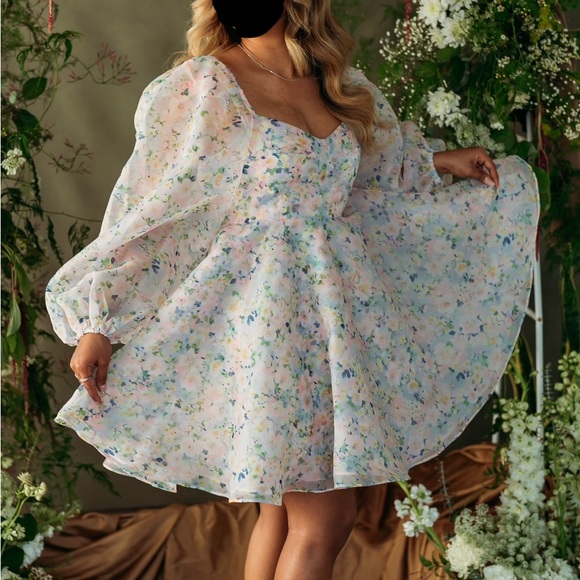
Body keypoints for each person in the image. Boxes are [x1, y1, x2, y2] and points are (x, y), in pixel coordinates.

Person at [46, 1, 539, 578]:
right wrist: (98, 322)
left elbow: (368, 179)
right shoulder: (205, 85)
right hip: (266, 317)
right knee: (325, 520)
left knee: (281, 517)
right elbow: (154, 212)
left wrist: (441, 162)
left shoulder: (338, 83)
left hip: (331, 317)